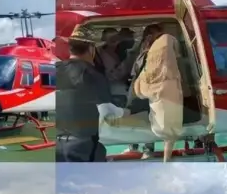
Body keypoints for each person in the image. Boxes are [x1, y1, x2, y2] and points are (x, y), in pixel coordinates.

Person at [56, 24, 124, 161]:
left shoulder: (55, 69)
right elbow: (107, 111)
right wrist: (124, 112)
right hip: (83, 145)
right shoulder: (93, 74)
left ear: (70, 48)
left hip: (56, 142)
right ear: (91, 49)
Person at [133, 29, 184, 162]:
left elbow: (139, 89)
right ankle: (164, 158)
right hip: (167, 92)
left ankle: (145, 149)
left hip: (150, 93)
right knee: (169, 132)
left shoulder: (148, 53)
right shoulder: (168, 40)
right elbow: (177, 54)